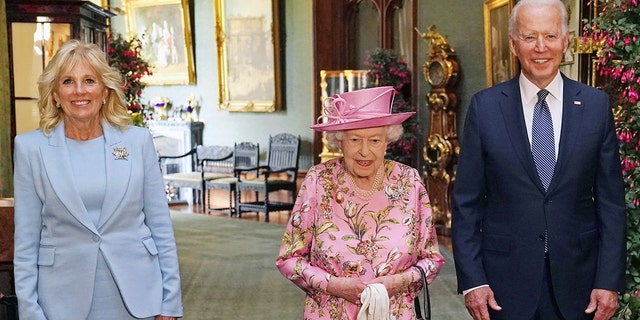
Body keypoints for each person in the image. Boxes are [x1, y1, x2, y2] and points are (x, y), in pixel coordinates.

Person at [451, 0, 626, 320]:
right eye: (530, 37)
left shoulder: (596, 106)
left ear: (566, 40)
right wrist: (473, 280)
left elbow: (611, 204)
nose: (541, 47)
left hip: (581, 284)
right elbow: (466, 203)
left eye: (550, 36)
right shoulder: (485, 108)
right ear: (513, 44)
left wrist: (609, 280)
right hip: (502, 287)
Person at [13, 40, 183, 320]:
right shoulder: (30, 149)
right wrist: (31, 312)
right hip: (61, 300)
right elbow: (26, 242)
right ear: (55, 94)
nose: (79, 90)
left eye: (89, 80)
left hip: (138, 295)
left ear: (104, 90)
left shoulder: (137, 141)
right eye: (68, 81)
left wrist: (170, 301)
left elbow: (160, 226)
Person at [276, 86, 445, 319]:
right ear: (340, 142)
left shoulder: (409, 181)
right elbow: (289, 259)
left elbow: (432, 260)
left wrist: (401, 281)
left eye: (375, 140)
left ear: (387, 141)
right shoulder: (318, 180)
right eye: (355, 139)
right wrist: (332, 285)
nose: (365, 151)